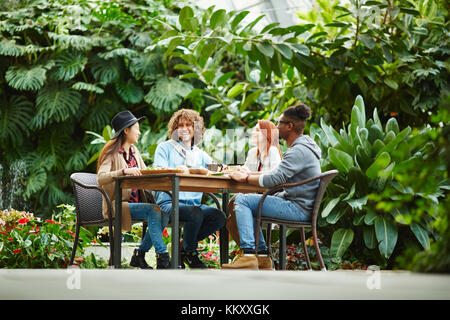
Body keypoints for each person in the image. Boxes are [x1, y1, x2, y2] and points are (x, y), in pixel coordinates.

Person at [222, 103, 322, 270]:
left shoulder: (298, 151)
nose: (276, 127)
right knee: (249, 201)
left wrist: (246, 178)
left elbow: (275, 179)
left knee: (242, 200)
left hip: (297, 208)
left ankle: (248, 255)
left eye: (279, 123)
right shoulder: (301, 148)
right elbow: (276, 176)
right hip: (296, 203)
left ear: (289, 126)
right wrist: (248, 175)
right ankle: (262, 257)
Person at [153, 109, 227, 269]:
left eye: (189, 125)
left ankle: (183, 246)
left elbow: (216, 167)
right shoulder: (164, 148)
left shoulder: (199, 154)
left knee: (219, 216)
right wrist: (182, 170)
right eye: (180, 125)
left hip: (192, 205)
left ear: (196, 129)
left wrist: (226, 168)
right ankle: (190, 252)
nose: (184, 128)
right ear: (175, 129)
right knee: (196, 213)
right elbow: (158, 170)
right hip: (168, 203)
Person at [97, 110, 171, 269]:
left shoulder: (134, 152)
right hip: (118, 205)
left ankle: (140, 255)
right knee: (155, 210)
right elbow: (100, 177)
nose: (139, 132)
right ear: (126, 130)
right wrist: (123, 172)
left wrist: (160, 172)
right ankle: (162, 256)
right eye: (136, 128)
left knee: (163, 213)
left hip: (136, 204)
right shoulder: (111, 152)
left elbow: (145, 173)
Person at [226, 120, 282, 247]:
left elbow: (273, 176)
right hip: (254, 197)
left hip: (271, 198)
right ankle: (259, 253)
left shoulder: (273, 151)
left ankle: (255, 251)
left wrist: (246, 174)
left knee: (234, 205)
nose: (252, 132)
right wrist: (239, 170)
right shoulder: (253, 153)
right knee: (230, 220)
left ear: (267, 134)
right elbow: (246, 170)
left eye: (257, 130)